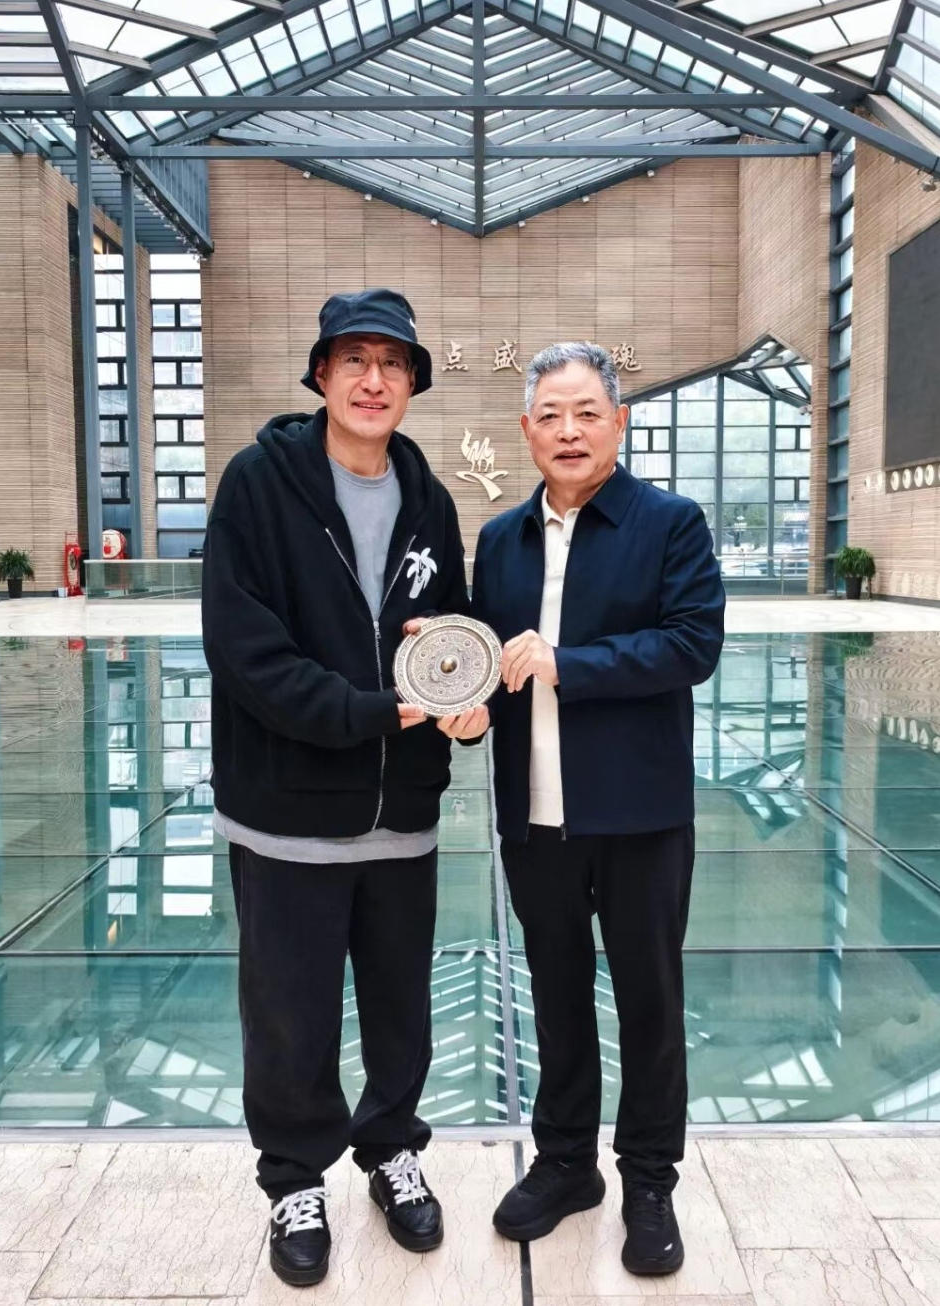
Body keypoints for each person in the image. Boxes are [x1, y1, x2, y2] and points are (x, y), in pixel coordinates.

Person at [201, 288, 487, 1288]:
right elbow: (245, 653)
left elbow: (449, 630)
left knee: (401, 1008)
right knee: (291, 1016)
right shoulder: (258, 485)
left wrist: (462, 698)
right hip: (286, 815)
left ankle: (391, 1149)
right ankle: (293, 1179)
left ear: (412, 382)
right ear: (321, 374)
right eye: (354, 360)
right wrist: (371, 712)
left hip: (401, 813)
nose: (373, 380)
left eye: (393, 363)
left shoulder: (428, 497)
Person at [471, 342, 725, 1276]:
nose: (568, 430)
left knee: (649, 1002)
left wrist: (567, 663)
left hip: (638, 814)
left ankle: (649, 1181)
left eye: (586, 412)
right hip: (534, 817)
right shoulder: (500, 540)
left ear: (619, 422)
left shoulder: (669, 523)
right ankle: (567, 1163)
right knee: (555, 994)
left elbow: (692, 644)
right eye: (550, 415)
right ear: (526, 430)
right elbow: (489, 663)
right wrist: (462, 693)